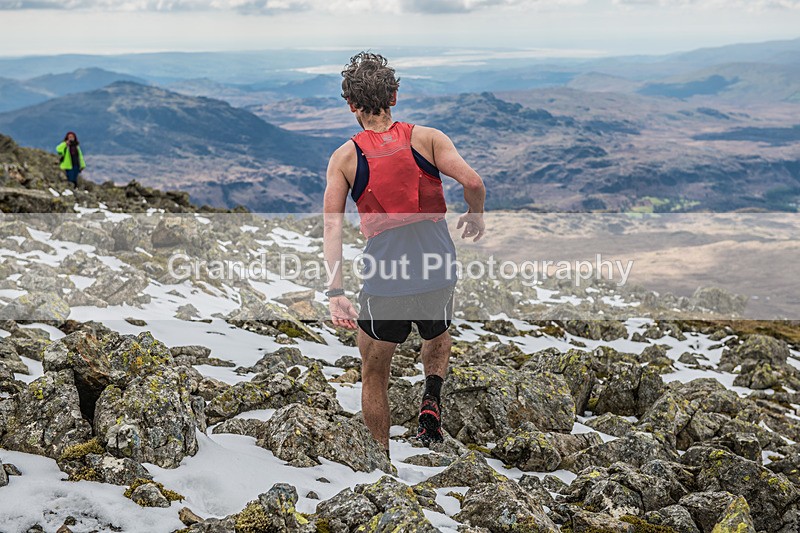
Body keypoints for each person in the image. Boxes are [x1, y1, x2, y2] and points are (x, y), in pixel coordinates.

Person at [323, 52, 486, 458]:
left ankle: (382, 461)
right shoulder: (428, 139)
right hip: (437, 266)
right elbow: (474, 181)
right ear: (394, 96)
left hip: (385, 278)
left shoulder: (345, 158)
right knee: (438, 331)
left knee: (374, 370)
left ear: (351, 105)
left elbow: (332, 227)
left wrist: (335, 291)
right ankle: (431, 397)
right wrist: (476, 214)